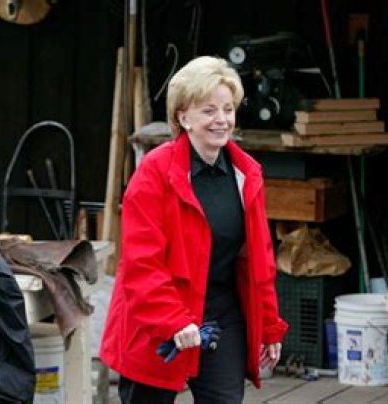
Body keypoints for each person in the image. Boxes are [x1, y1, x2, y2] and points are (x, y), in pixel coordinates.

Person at [100, 56, 289, 403]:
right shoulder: (154, 174)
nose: (222, 120)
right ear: (183, 117)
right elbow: (142, 264)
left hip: (220, 315)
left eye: (228, 109)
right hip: (155, 319)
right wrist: (173, 320)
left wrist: (269, 325)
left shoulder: (247, 175)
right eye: (209, 111)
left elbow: (259, 262)